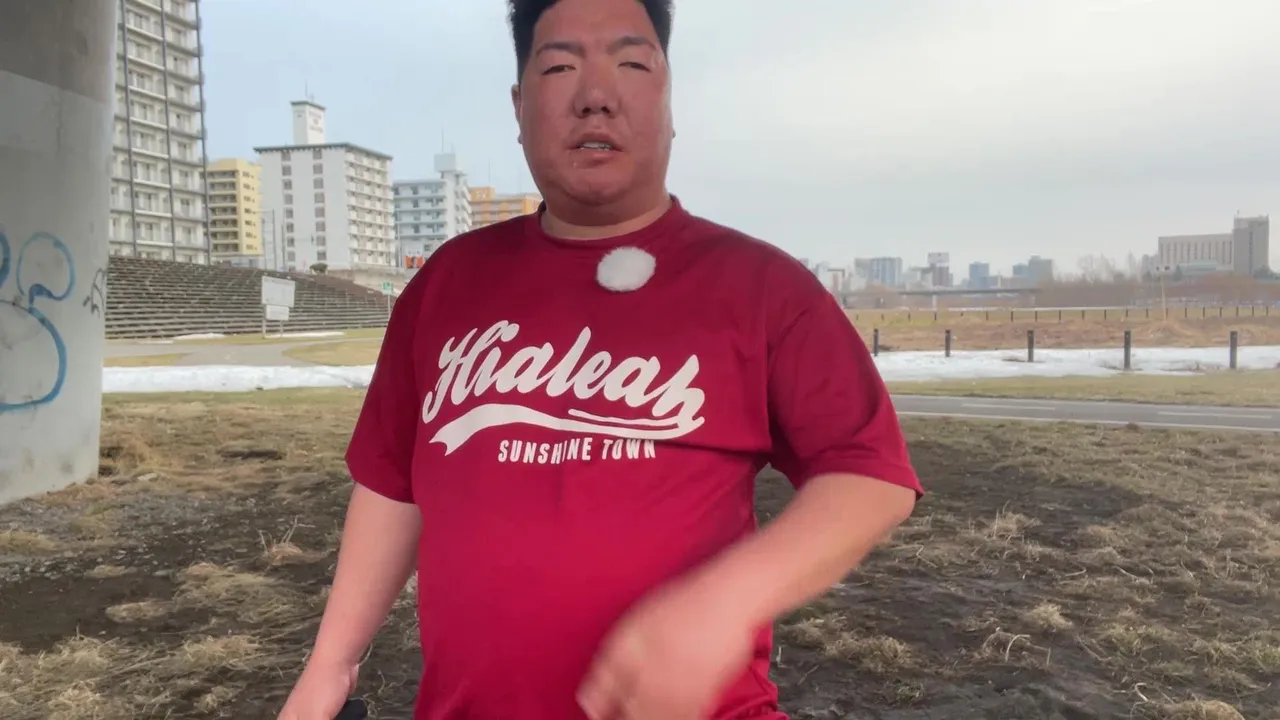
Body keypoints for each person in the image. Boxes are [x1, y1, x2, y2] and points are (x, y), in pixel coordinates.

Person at [277, 0, 923, 718]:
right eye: (559, 67)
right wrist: (329, 667)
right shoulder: (448, 283)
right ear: (519, 107)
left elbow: (870, 475)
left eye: (632, 63)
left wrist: (724, 601)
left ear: (668, 101)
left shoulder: (762, 286)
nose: (595, 95)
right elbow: (391, 484)